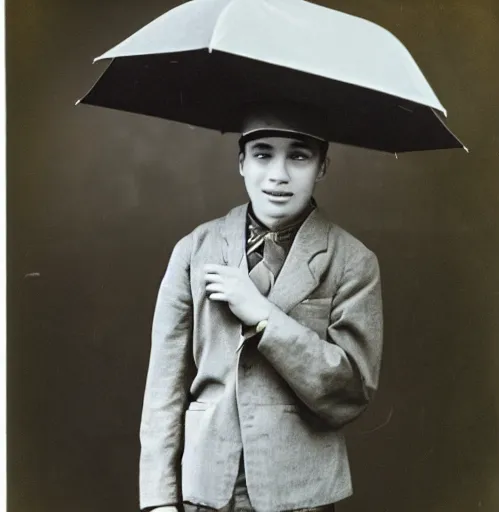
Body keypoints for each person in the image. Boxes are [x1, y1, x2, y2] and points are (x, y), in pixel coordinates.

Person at [139, 102, 384, 512]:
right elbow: (163, 389)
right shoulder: (194, 250)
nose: (278, 175)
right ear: (241, 162)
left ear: (322, 166)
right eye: (263, 154)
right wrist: (159, 500)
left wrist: (266, 316)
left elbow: (351, 391)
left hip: (302, 493)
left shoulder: (352, 261)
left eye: (299, 156)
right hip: (206, 490)